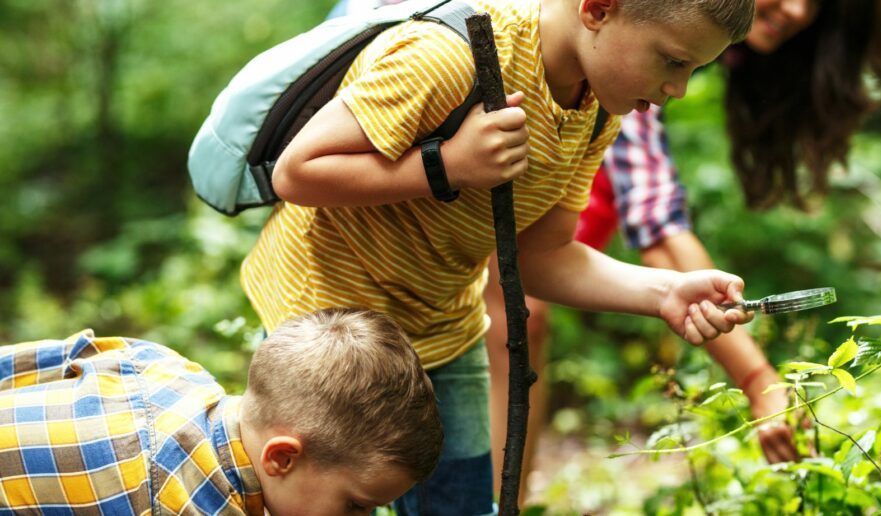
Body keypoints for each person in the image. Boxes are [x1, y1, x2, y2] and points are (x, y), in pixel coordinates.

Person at [239, 0, 756, 512]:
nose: (678, 90)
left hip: (443, 325)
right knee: (333, 498)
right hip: (331, 325)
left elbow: (543, 256)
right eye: (673, 61)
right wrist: (447, 165)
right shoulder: (448, 56)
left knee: (461, 506)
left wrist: (665, 292)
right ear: (598, 9)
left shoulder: (596, 109)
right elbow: (297, 172)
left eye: (694, 69)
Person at [484, 0, 881, 497]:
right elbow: (657, 224)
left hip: (558, 211)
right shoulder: (629, 40)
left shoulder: (689, 48)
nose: (797, 10)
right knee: (512, 317)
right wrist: (757, 382)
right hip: (494, 190)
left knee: (524, 313)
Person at [0, 308, 442, 515]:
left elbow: (54, 357)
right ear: (281, 458)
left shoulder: (171, 369)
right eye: (355, 507)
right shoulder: (189, 505)